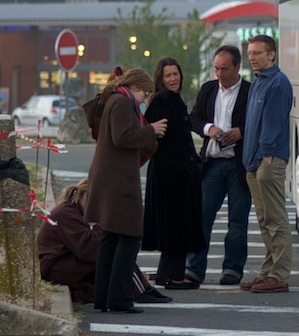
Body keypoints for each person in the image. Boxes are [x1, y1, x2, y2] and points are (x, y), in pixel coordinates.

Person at [85, 68, 167, 314]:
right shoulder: (122, 102)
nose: (144, 99)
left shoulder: (114, 99)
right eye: (144, 94)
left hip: (109, 177)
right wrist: (151, 130)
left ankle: (103, 298)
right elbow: (122, 137)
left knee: (110, 238)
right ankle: (119, 298)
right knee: (130, 237)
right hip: (118, 180)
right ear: (135, 87)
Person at [36, 179, 170, 305]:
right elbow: (91, 248)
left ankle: (138, 289)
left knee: (111, 264)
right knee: (114, 254)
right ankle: (140, 291)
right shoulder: (65, 213)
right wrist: (105, 221)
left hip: (60, 264)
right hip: (55, 267)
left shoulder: (71, 210)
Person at [186, 44, 252, 286]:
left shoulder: (250, 91)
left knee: (237, 221)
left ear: (237, 67)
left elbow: (259, 123)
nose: (220, 74)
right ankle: (194, 268)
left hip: (238, 164)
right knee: (202, 217)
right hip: (212, 163)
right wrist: (209, 129)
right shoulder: (208, 89)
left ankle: (232, 269)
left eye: (225, 69)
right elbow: (194, 119)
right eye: (216, 69)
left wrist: (240, 132)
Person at [142, 57, 205, 288]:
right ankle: (175, 276)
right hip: (171, 175)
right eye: (168, 75)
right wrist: (180, 166)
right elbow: (157, 139)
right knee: (177, 225)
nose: (173, 78)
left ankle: (165, 273)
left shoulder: (172, 99)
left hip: (176, 173)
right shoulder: (161, 101)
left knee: (174, 225)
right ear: (160, 78)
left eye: (175, 74)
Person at [240, 34, 294, 294]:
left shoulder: (278, 83)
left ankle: (279, 275)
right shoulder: (258, 82)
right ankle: (267, 272)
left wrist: (267, 155)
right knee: (264, 220)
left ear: (271, 54)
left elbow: (272, 124)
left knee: (275, 219)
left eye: (257, 53)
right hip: (253, 162)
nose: (252, 57)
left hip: (268, 160)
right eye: (250, 53)